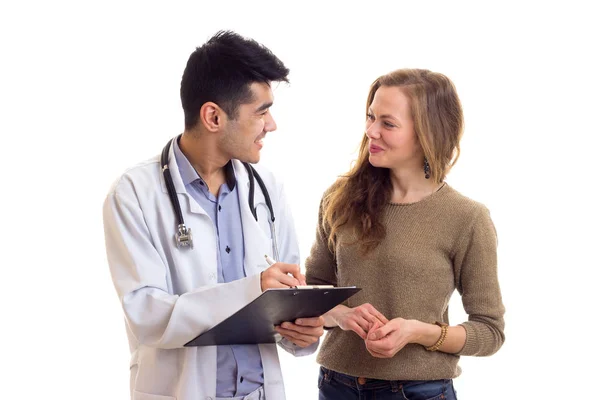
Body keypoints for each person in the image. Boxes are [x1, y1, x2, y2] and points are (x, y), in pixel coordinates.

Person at [103, 30, 324, 400]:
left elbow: (289, 295)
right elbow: (146, 314)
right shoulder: (134, 194)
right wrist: (251, 289)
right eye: (262, 112)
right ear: (213, 117)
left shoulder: (267, 189)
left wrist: (302, 332)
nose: (271, 125)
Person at [305, 68, 505, 399]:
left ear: (428, 133)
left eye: (388, 123)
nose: (371, 131)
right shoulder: (339, 198)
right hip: (335, 385)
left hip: (418, 392)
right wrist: (342, 315)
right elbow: (312, 293)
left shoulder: (467, 218)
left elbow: (490, 331)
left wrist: (417, 332)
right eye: (370, 118)